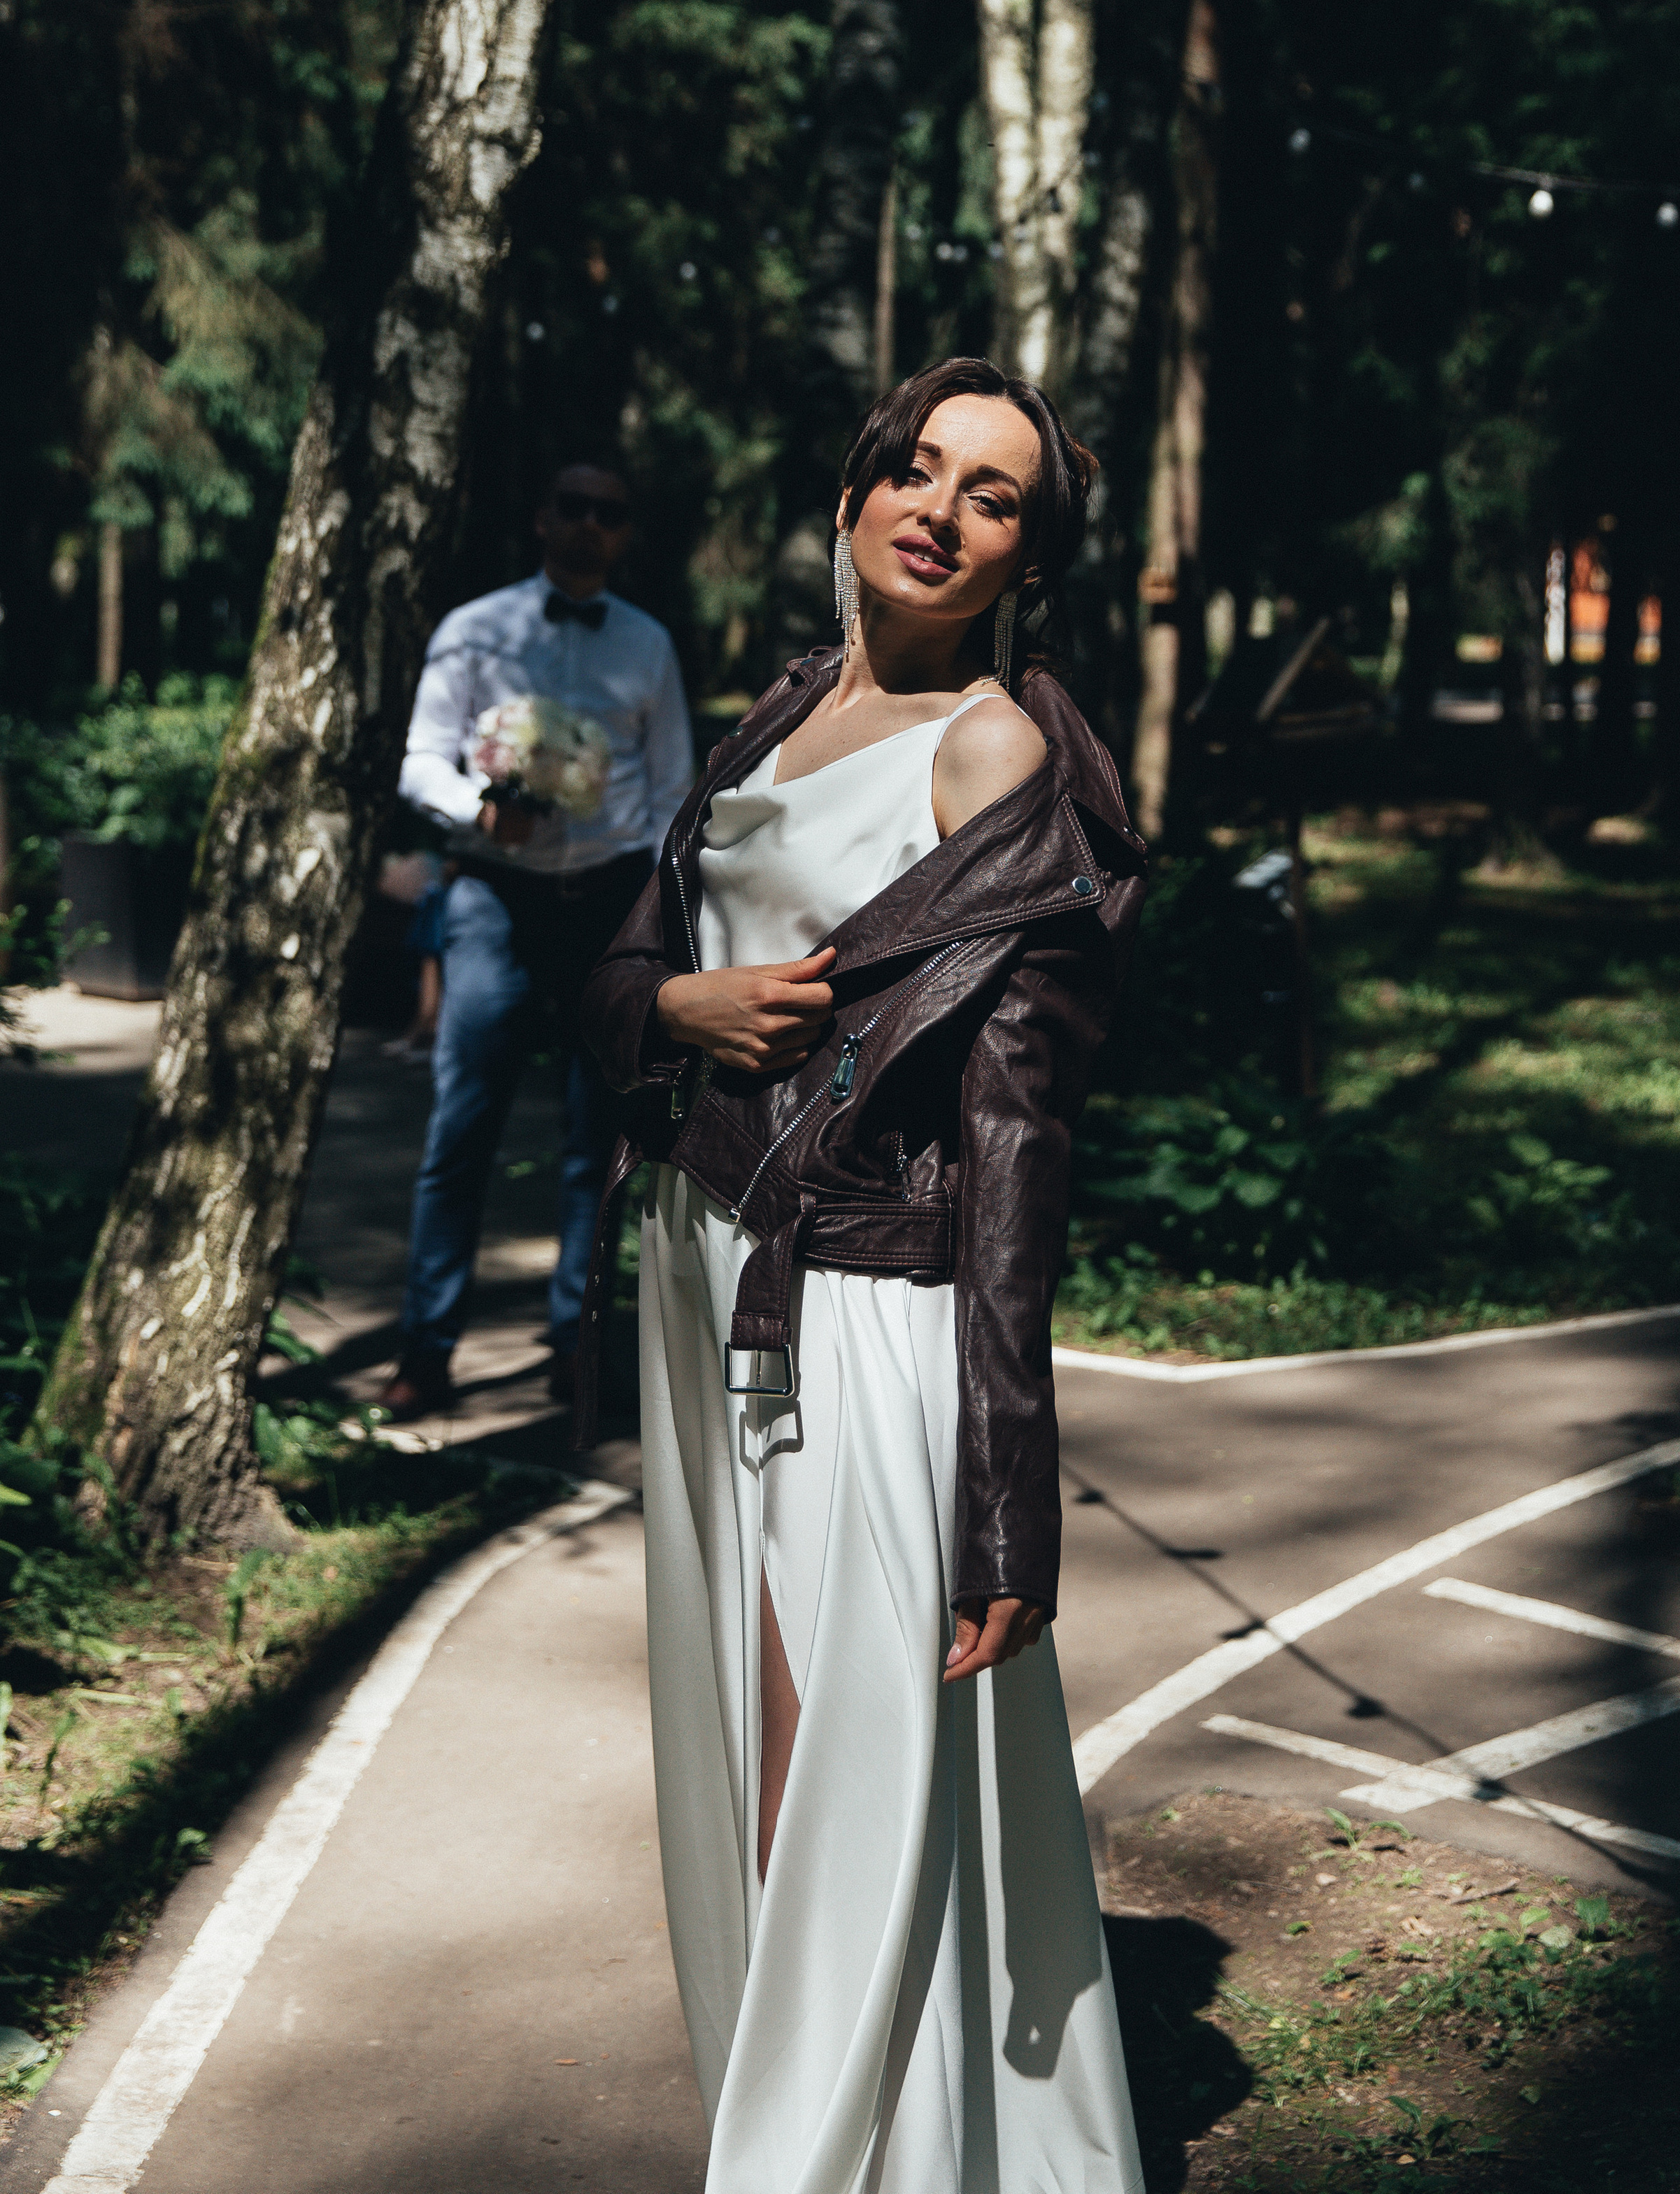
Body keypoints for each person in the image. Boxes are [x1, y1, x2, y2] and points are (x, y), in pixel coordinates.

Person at [579, 361, 1147, 2191]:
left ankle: (817, 2165)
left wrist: (1010, 1511)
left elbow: (1017, 1149)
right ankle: (849, 2128)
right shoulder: (779, 710)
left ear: (1027, 556)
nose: (938, 507)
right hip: (706, 1264)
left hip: (865, 1304)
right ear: (847, 503)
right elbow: (632, 962)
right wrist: (675, 1005)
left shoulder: (997, 751)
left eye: (991, 496)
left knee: (850, 1745)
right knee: (760, 1729)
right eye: (911, 469)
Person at [387, 462, 693, 1413]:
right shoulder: (476, 629)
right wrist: (480, 813)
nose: (591, 525)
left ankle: (578, 1345)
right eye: (575, 507)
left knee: (593, 1140)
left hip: (605, 908)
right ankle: (426, 1352)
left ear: (624, 533)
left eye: (611, 512)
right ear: (540, 518)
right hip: (492, 899)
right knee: (461, 1126)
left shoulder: (647, 644)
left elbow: (674, 787)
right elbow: (419, 761)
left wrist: (652, 910)